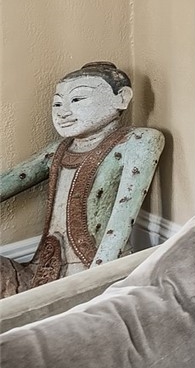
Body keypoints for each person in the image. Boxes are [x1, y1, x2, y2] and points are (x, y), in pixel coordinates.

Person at [0, 61, 163, 296]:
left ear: (122, 98)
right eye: (57, 103)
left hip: (89, 271)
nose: (63, 112)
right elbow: (12, 180)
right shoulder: (60, 148)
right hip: (40, 270)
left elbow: (121, 221)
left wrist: (93, 284)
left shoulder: (139, 141)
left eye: (77, 100)